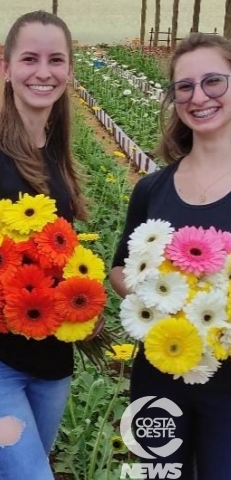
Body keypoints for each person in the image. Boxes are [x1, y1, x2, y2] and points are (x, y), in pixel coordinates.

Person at [0, 11, 89, 480]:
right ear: (5, 68)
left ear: (68, 70)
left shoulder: (54, 145)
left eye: (55, 60)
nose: (42, 72)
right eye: (29, 59)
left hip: (51, 354)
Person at [110, 32, 231, 480]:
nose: (198, 97)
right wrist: (159, 299)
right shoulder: (153, 187)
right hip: (158, 376)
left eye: (213, 82)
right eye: (184, 87)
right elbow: (120, 267)